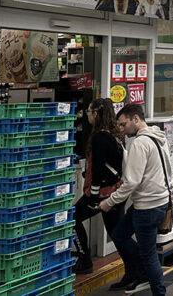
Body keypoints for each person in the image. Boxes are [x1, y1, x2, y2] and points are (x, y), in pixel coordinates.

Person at [100, 104, 171, 295]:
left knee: (148, 254)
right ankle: (138, 273)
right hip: (157, 201)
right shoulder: (159, 137)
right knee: (120, 234)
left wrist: (110, 201)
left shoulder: (140, 143)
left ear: (136, 119)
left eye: (124, 125)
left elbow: (131, 181)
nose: (121, 129)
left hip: (147, 206)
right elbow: (169, 169)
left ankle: (158, 292)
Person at [73, 99, 125, 274]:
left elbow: (98, 168)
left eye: (88, 111)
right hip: (114, 189)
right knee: (117, 233)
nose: (87, 114)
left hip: (102, 193)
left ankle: (85, 259)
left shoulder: (100, 137)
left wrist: (93, 195)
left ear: (96, 113)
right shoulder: (114, 134)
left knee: (71, 218)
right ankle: (134, 269)